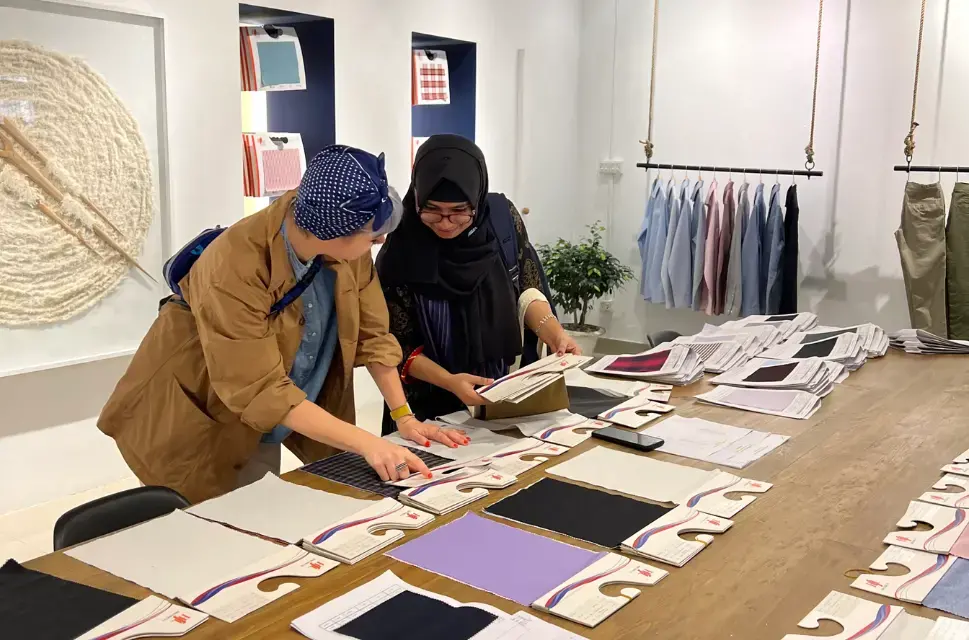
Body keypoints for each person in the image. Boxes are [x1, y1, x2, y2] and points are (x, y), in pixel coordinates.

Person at [98, 145, 468, 504]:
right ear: (335, 235)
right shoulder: (234, 265)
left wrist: (403, 415)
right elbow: (260, 391)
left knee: (264, 496)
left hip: (276, 407)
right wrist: (367, 441)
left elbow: (374, 335)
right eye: (373, 237)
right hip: (205, 409)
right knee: (226, 516)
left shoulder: (334, 225)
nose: (381, 241)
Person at [376, 134, 579, 433]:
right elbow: (394, 345)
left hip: (501, 390)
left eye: (459, 210)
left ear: (478, 196)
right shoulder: (400, 246)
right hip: (426, 403)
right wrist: (449, 381)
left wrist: (555, 334)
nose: (445, 222)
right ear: (416, 197)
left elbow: (524, 284)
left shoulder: (501, 219)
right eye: (432, 209)